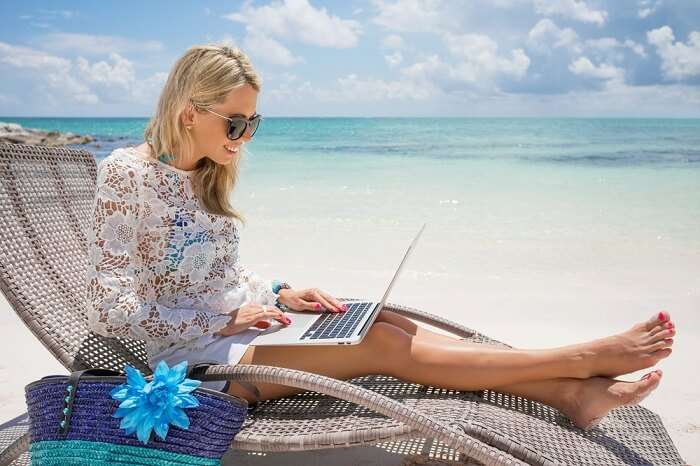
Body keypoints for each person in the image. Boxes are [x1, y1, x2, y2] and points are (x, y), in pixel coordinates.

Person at [86, 44, 675, 430]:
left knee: (386, 321)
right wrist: (221, 323)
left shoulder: (207, 174)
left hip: (238, 329)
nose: (245, 136)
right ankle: (583, 361)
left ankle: (572, 395)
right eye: (235, 122)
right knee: (384, 349)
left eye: (253, 122)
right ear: (191, 112)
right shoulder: (127, 174)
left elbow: (210, 274)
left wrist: (282, 290)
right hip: (188, 361)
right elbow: (114, 311)